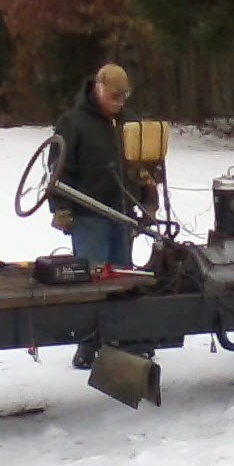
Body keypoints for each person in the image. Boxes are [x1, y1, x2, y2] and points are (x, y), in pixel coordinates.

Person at [49, 63, 157, 369]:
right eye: (113, 97)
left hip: (122, 214)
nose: (119, 104)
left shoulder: (130, 125)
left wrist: (149, 197)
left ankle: (122, 339)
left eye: (123, 98)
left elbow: (143, 169)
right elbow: (58, 170)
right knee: (92, 280)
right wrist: (61, 209)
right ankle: (88, 344)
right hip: (88, 216)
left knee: (122, 277)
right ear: (98, 89)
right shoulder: (72, 123)